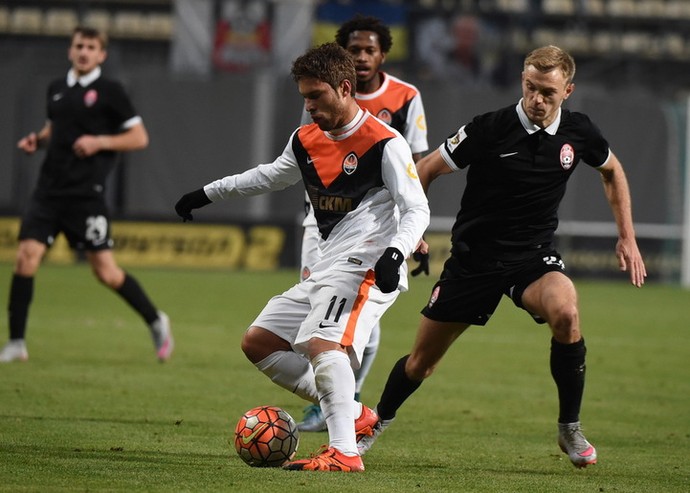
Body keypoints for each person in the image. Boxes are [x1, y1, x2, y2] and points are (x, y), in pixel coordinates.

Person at [358, 45, 647, 468]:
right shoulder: (489, 128)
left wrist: (628, 237)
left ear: (568, 90)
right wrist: (411, 229)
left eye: (548, 91)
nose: (537, 99)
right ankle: (376, 423)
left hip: (532, 258)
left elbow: (612, 171)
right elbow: (425, 170)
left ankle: (569, 427)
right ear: (522, 82)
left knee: (566, 313)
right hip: (474, 260)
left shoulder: (579, 132)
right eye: (530, 87)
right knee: (421, 363)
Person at [175, 42, 430, 472]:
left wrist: (395, 252)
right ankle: (351, 412)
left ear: (344, 88)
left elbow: (417, 207)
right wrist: (206, 193)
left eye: (316, 95)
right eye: (304, 97)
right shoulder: (305, 140)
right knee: (259, 342)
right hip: (329, 266)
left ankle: (345, 452)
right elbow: (269, 176)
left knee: (320, 343)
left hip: (367, 265)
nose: (309, 105)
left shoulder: (385, 143)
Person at [0, 26, 173, 363]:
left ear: (101, 55)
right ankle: (17, 343)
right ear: (70, 50)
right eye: (79, 45)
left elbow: (139, 138)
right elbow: (56, 128)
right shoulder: (56, 88)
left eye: (91, 47)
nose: (83, 52)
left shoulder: (110, 91)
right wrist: (39, 140)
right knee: (25, 258)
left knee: (105, 272)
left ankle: (155, 320)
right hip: (48, 192)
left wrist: (100, 142)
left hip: (85, 196)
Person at [297, 14, 430, 433]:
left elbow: (419, 166)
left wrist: (414, 234)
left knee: (357, 327)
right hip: (320, 227)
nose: (361, 56)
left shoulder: (405, 97)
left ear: (382, 54)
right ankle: (336, 402)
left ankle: (343, 404)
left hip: (374, 228)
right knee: (315, 319)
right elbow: (306, 156)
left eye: (369, 50)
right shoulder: (321, 97)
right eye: (353, 50)